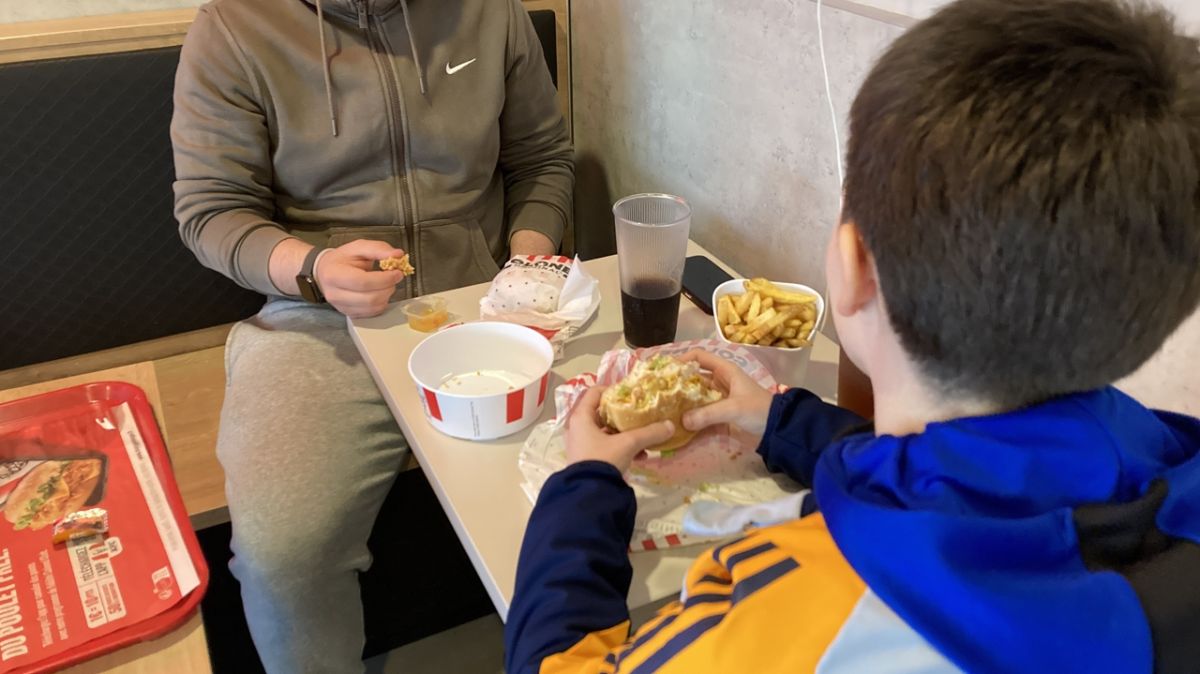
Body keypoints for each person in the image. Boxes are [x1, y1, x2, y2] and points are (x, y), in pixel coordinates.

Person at [503, 0, 1200, 671]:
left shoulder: (788, 613)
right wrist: (780, 422)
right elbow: (985, 478)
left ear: (852, 266)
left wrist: (582, 485)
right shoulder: (1166, 472)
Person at [170, 0, 572, 669]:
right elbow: (212, 210)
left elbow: (543, 158)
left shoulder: (487, 11)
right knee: (284, 555)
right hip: (316, 318)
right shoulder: (234, 26)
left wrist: (526, 267)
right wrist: (313, 268)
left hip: (482, 305)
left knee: (588, 482)